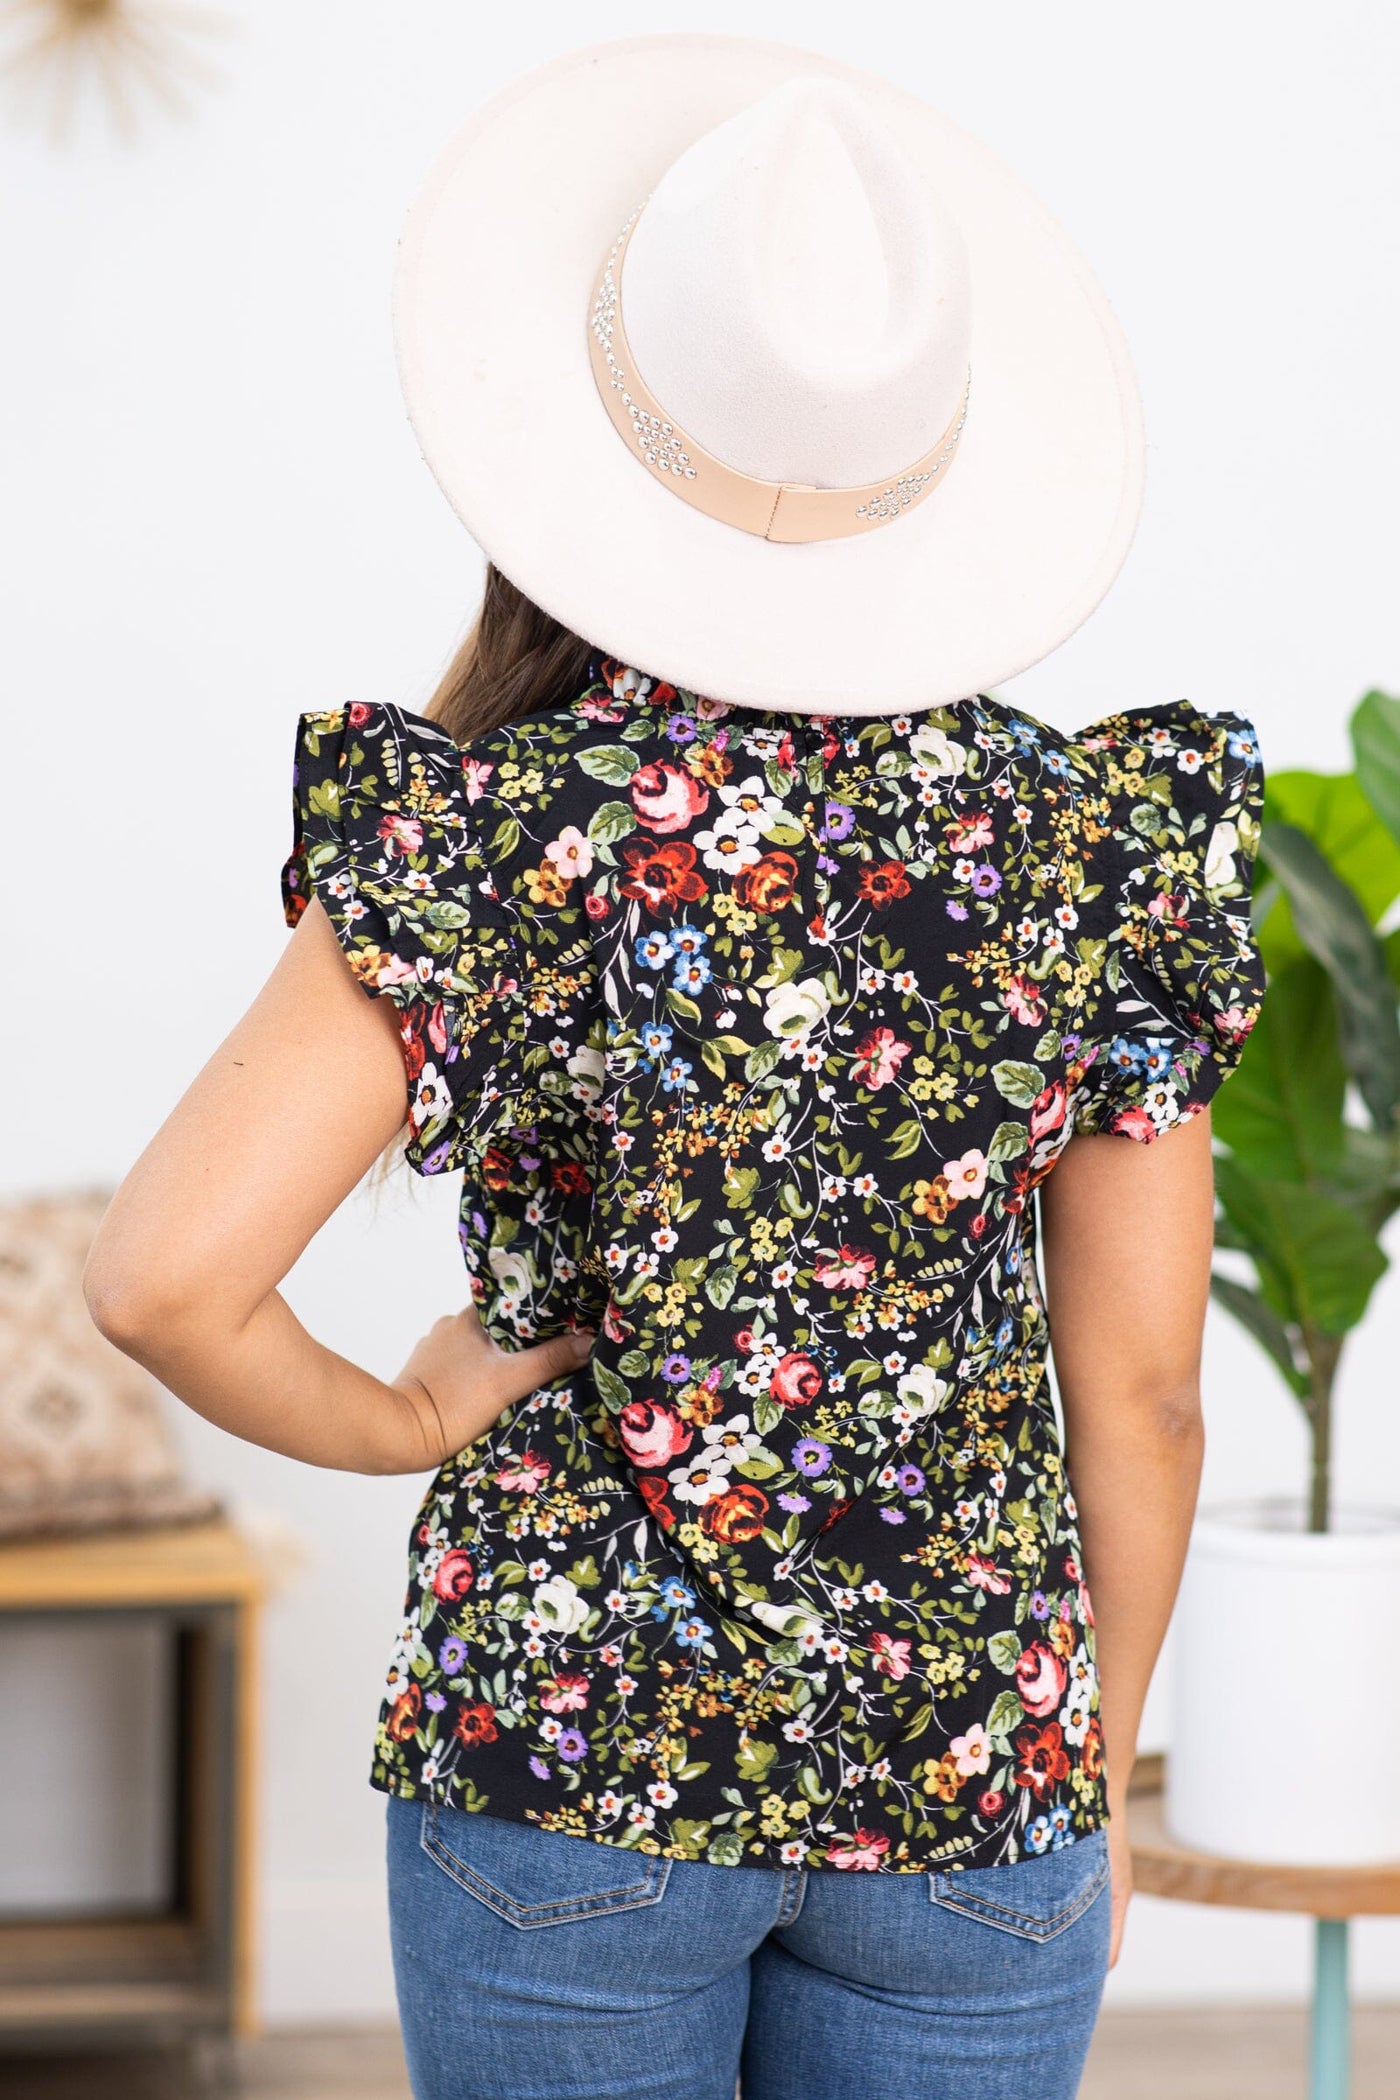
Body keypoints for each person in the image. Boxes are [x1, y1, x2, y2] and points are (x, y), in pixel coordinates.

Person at [84, 36, 1266, 2100]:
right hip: (969, 1780)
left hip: (566, 1769)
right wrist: (1086, 1752)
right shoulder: (1091, 852)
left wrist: (397, 1420)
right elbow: (1148, 1395)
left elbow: (161, 1279)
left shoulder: (494, 836)